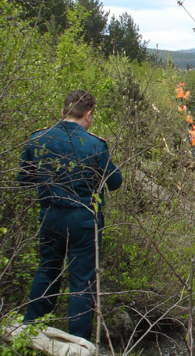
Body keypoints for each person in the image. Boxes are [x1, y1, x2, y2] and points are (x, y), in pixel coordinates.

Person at [18, 90, 123, 339]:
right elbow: (115, 181)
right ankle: (77, 340)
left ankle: (30, 329)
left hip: (50, 215)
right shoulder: (94, 144)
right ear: (87, 114)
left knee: (47, 268)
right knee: (82, 280)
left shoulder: (38, 139)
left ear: (63, 110)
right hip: (83, 219)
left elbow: (24, 179)